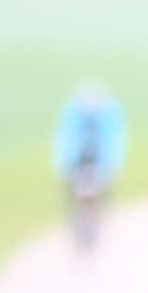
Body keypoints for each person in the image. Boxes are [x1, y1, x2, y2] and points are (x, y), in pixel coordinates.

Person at [52, 82, 126, 252]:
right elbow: (65, 141)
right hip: (77, 160)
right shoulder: (72, 115)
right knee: (71, 192)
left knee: (104, 192)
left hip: (100, 160)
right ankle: (73, 225)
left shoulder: (109, 116)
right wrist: (64, 165)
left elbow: (113, 143)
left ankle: (100, 225)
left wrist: (109, 168)